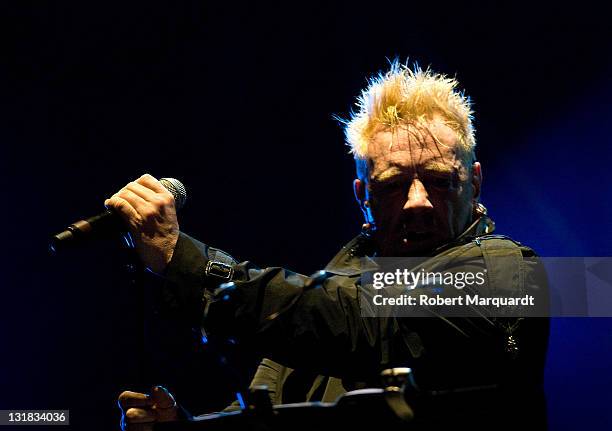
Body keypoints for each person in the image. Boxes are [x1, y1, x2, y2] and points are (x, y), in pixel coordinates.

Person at [109, 62, 549, 429]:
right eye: (394, 186)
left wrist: (182, 257)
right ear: (363, 196)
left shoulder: (513, 273)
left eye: (439, 180)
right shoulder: (337, 282)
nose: (418, 201)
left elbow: (363, 323)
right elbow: (269, 410)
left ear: (473, 183)